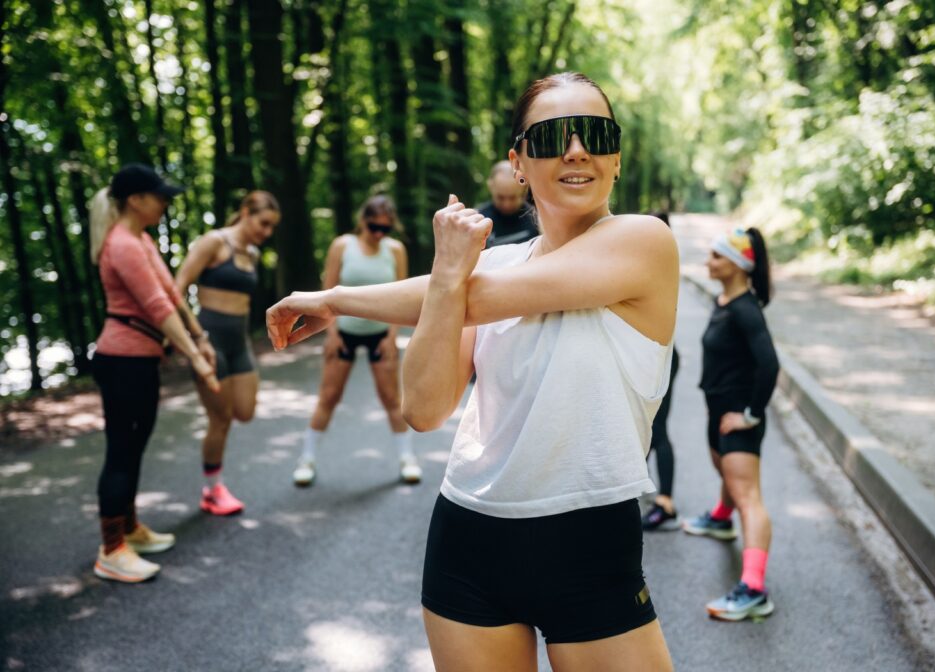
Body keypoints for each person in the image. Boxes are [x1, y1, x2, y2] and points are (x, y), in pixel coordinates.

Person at [267, 72, 677, 671]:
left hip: (589, 542)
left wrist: (345, 298)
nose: (575, 149)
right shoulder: (487, 271)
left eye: (593, 133)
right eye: (550, 137)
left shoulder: (643, 242)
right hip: (468, 540)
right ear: (518, 163)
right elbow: (426, 409)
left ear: (615, 156)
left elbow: (480, 296)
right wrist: (409, 284)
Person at [89, 164, 220, 583]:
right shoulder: (122, 245)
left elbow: (171, 294)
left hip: (140, 361)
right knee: (122, 452)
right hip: (122, 360)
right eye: (159, 195)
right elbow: (156, 309)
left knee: (135, 444)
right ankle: (111, 549)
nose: (164, 202)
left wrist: (200, 338)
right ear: (135, 200)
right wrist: (196, 360)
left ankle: (129, 529)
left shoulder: (140, 240)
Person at [681, 227, 780, 622]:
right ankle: (721, 518)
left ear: (738, 264)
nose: (708, 262)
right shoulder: (725, 299)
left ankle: (754, 589)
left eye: (716, 257)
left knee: (749, 498)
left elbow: (770, 365)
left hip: (738, 417)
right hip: (719, 410)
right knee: (725, 472)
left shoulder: (745, 310)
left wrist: (750, 415)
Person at [292, 195, 421, 487]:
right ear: (363, 221)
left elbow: (401, 294)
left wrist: (392, 337)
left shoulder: (395, 250)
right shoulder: (342, 246)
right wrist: (332, 335)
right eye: (374, 226)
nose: (378, 233)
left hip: (380, 334)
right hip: (345, 332)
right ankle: (306, 460)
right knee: (329, 396)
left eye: (385, 229)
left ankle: (407, 459)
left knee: (392, 399)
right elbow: (326, 294)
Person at [174, 191, 281, 515]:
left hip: (239, 343)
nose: (266, 232)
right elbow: (175, 289)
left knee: (244, 412)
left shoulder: (252, 251)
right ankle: (212, 490)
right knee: (220, 419)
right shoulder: (214, 242)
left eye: (271, 227)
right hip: (210, 341)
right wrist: (196, 338)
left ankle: (214, 483)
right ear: (246, 212)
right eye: (263, 223)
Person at [640, 210, 682, 531]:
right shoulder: (663, 260)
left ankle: (666, 501)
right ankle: (639, 487)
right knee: (645, 426)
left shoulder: (654, 264)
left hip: (658, 355)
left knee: (659, 428)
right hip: (654, 353)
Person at [477, 160, 539, 247]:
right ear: (491, 187)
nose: (507, 204)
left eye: (513, 198)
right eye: (500, 197)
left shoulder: (538, 219)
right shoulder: (478, 220)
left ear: (524, 189)